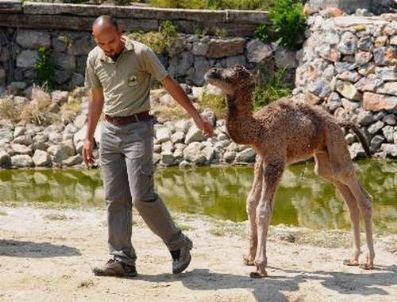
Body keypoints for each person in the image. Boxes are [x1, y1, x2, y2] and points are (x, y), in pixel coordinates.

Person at [83, 15, 214, 277]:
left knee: (142, 196)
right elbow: (96, 97)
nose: (108, 47)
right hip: (109, 131)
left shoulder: (141, 53)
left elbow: (169, 84)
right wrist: (89, 136)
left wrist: (196, 117)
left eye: (111, 41)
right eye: (102, 43)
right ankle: (122, 260)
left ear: (121, 31)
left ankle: (179, 245)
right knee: (115, 198)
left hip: (138, 131)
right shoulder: (94, 58)